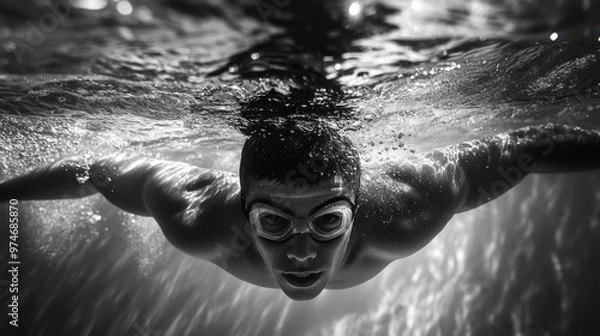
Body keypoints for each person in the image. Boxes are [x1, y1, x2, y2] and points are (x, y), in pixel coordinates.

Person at [1, 119, 599, 300]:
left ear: (358, 210)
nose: (303, 250)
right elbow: (96, 173)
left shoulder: (408, 208)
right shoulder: (196, 216)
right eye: (274, 222)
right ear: (242, 211)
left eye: (329, 220)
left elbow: (519, 150)